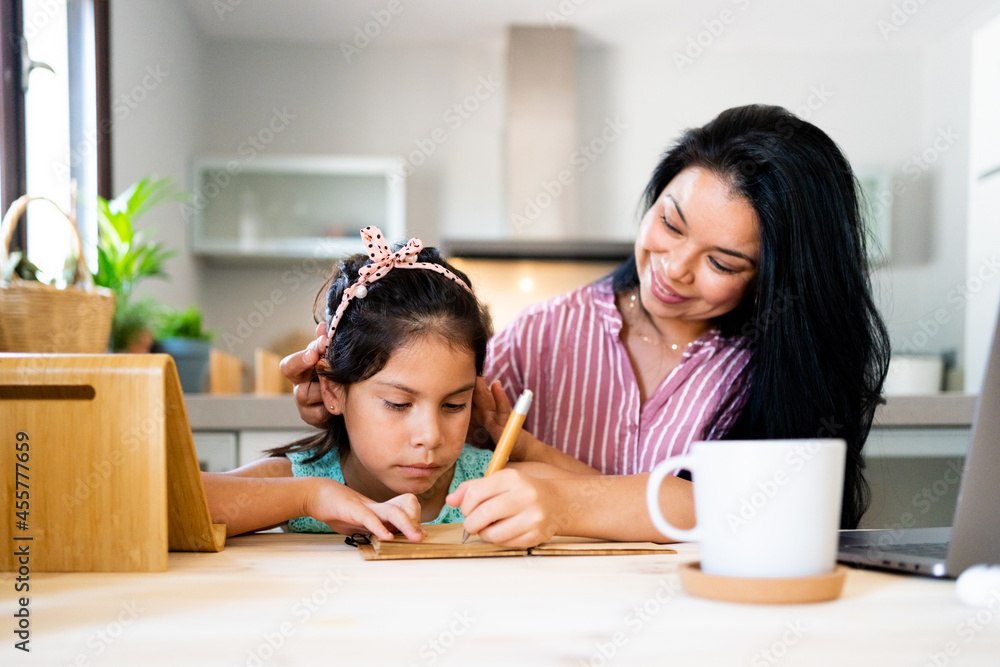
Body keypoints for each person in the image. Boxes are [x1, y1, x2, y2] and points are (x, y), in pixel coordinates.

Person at [284, 105, 890, 545]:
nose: (674, 270)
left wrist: (565, 497)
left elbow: (772, 513)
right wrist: (348, 401)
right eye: (671, 225)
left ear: (779, 276)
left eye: (722, 262)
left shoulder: (782, 369)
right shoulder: (542, 336)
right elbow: (425, 415)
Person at [203, 227, 592, 540]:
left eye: (454, 405)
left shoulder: (491, 482)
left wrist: (525, 448)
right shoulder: (303, 481)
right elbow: (165, 502)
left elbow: (622, 500)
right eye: (398, 404)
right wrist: (310, 498)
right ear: (333, 390)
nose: (430, 437)